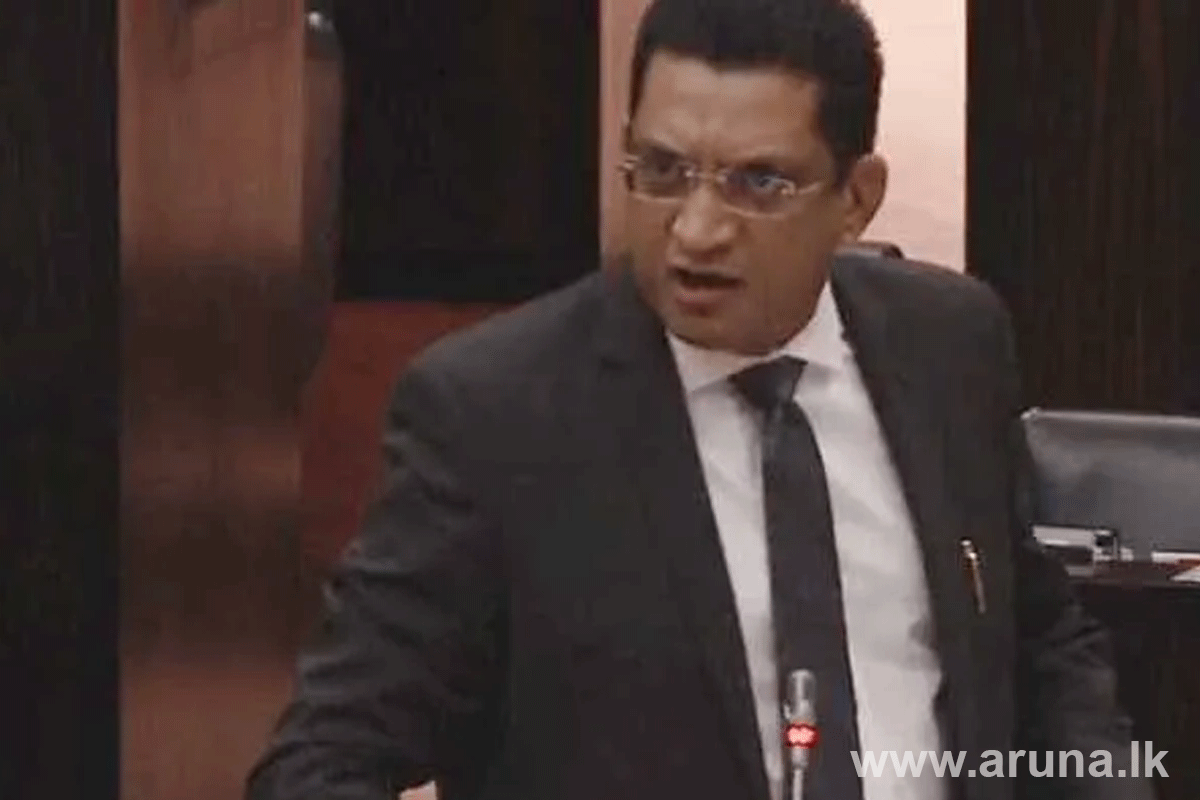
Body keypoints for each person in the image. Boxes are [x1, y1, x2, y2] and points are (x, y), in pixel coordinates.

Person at [246, 1, 1154, 799]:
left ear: (857, 198)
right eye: (663, 170)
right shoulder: (495, 416)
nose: (697, 230)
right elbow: (323, 761)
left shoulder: (949, 346)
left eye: (759, 183)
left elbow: (1038, 639)